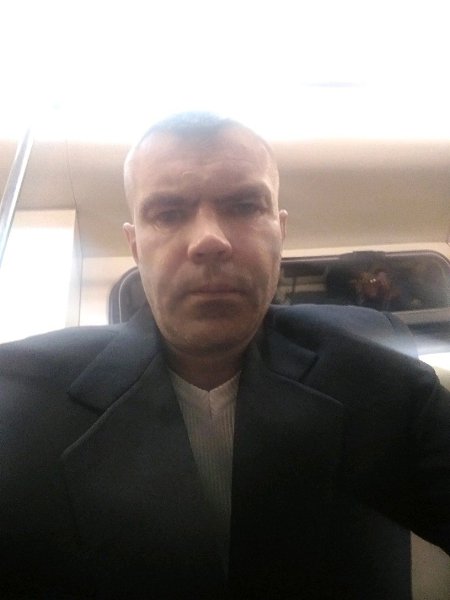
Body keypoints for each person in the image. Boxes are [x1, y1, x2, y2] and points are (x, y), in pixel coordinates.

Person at [0, 112, 449, 600]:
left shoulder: (371, 368)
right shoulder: (22, 401)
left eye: (243, 206)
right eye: (169, 213)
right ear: (135, 246)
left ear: (279, 232)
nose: (209, 240)